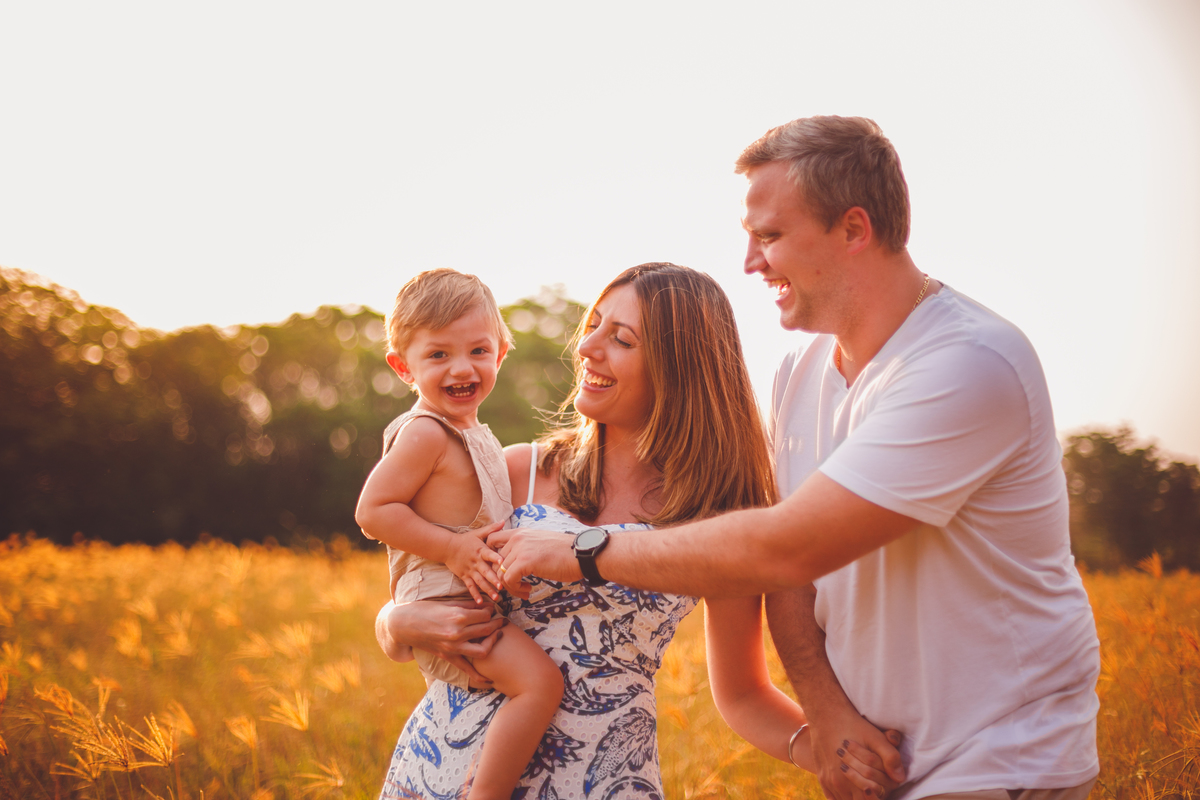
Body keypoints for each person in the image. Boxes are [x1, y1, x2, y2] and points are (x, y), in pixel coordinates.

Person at [497, 117, 1101, 800]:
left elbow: (788, 548)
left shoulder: (967, 364)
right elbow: (793, 584)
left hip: (1001, 759)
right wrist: (825, 711)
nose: (752, 263)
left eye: (771, 236)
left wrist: (581, 551)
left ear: (853, 229)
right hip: (879, 765)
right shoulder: (801, 369)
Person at [374, 263, 899, 799]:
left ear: (678, 369)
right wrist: (396, 622)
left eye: (620, 339)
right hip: (446, 768)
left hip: (604, 781)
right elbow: (415, 588)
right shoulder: (513, 472)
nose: (586, 348)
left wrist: (835, 754)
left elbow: (743, 695)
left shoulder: (716, 520)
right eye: (594, 325)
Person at [356, 268, 563, 800]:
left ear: (502, 353)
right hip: (445, 609)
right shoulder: (426, 432)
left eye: (477, 349)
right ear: (404, 367)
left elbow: (480, 526)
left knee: (529, 684)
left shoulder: (476, 433)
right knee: (540, 685)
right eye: (439, 355)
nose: (462, 367)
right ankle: (486, 792)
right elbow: (373, 510)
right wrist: (450, 547)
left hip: (468, 597)